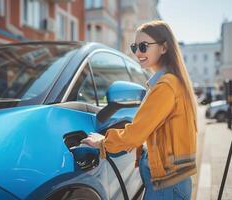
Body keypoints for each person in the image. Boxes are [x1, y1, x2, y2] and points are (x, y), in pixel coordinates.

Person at [81, 20, 197, 200]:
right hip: (170, 180)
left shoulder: (166, 85)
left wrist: (103, 142)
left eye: (144, 46)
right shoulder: (167, 82)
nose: (137, 53)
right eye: (134, 47)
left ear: (164, 48)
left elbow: (135, 134)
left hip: (167, 184)